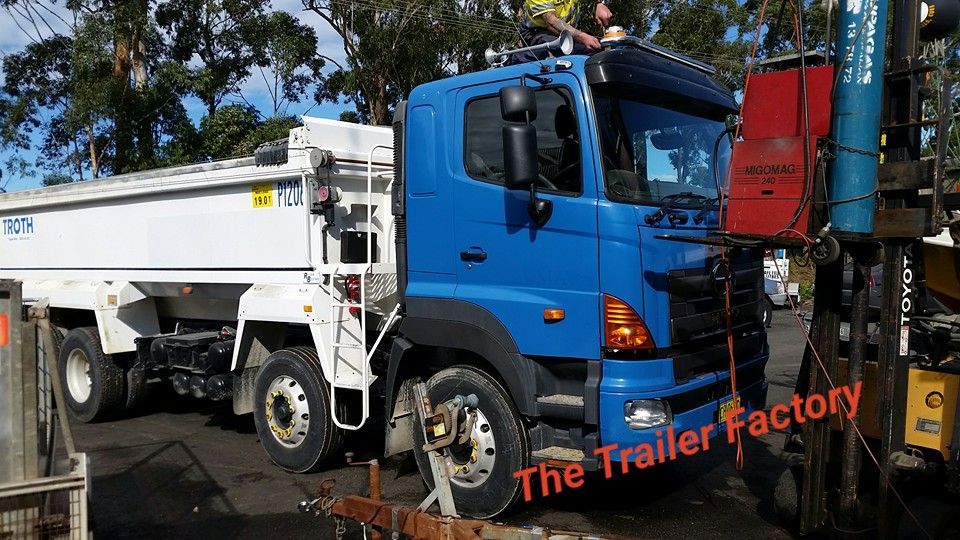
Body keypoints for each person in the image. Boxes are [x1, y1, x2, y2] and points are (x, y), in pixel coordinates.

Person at [512, 0, 612, 63]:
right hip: (537, 33)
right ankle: (517, 59)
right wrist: (582, 37)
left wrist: (600, 4)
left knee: (596, 53)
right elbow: (551, 22)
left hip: (567, 34)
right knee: (565, 53)